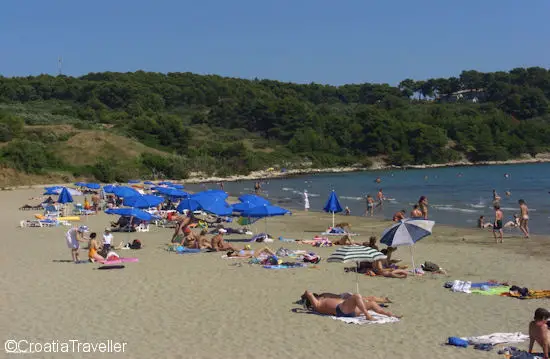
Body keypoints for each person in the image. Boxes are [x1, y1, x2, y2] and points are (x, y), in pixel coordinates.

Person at [300, 290, 401, 320]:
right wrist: (305, 295)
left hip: (348, 309)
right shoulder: (317, 304)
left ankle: (389, 314)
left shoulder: (320, 304)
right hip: (341, 310)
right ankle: (368, 315)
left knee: (372, 304)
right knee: (357, 296)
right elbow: (308, 293)